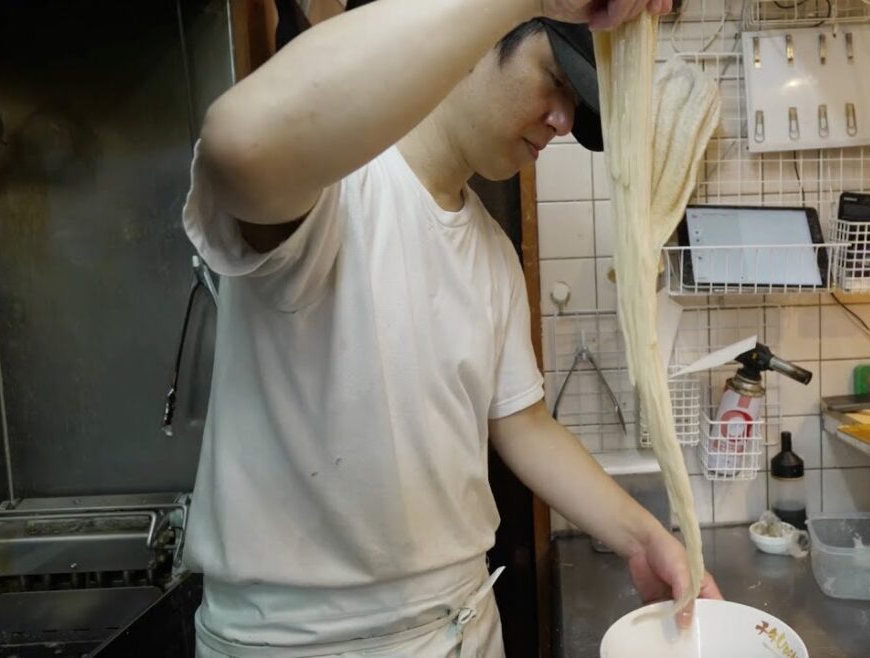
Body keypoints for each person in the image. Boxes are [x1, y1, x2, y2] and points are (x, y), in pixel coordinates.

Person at [182, 0, 720, 656]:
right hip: (303, 638)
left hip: (460, 624)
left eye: (576, 109)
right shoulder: (335, 190)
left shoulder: (491, 253)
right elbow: (239, 145)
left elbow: (521, 424)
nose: (561, 121)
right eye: (555, 79)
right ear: (479, 36)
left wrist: (644, 537)